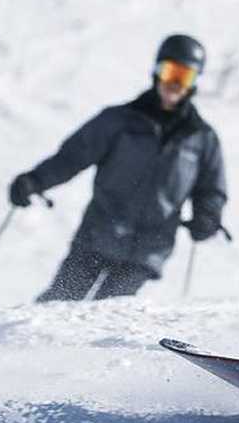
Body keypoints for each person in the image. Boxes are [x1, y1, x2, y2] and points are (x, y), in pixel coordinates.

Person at [13, 34, 228, 303]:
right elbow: (72, 156)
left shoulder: (202, 139)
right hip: (97, 237)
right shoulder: (118, 121)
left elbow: (211, 189)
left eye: (184, 76)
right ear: (157, 72)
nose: (174, 83)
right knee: (59, 304)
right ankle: (19, 344)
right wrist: (35, 180)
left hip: (147, 252)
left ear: (194, 83)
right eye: (170, 71)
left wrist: (207, 216)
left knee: (103, 318)